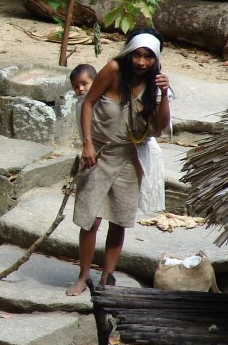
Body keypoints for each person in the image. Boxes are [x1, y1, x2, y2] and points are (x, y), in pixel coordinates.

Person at [67, 29, 171, 296]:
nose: (141, 62)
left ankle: (106, 277)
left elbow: (160, 127)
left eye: (148, 57)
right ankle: (83, 275)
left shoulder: (154, 82)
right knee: (90, 220)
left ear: (155, 59)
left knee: (119, 220)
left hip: (129, 156)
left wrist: (164, 94)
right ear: (129, 53)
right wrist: (87, 143)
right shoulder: (113, 69)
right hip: (99, 154)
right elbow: (88, 102)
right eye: (137, 55)